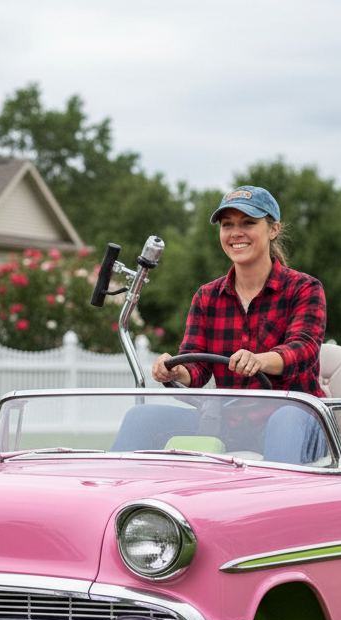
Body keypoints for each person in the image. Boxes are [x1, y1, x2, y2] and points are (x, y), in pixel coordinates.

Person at [112, 185, 328, 464]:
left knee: (286, 420)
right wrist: (177, 370)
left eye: (248, 223)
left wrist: (259, 361)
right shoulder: (207, 296)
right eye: (228, 225)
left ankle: (276, 502)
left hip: (296, 416)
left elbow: (303, 349)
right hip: (227, 423)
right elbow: (197, 368)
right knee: (141, 416)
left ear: (273, 229)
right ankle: (120, 501)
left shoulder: (304, 288)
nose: (236, 233)